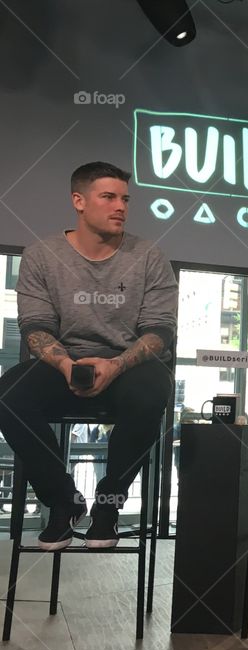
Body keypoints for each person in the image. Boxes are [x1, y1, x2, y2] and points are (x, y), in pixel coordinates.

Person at [0, 162, 177, 550]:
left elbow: (159, 332)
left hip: (128, 365)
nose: (121, 207)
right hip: (64, 362)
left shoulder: (148, 255)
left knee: (151, 391)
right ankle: (63, 500)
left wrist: (115, 365)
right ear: (79, 201)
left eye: (125, 199)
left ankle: (109, 505)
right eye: (109, 197)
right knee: (9, 395)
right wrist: (66, 365)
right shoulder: (42, 254)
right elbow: (35, 328)